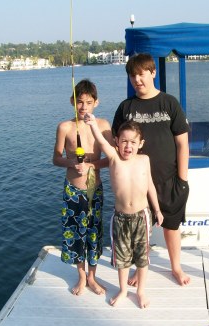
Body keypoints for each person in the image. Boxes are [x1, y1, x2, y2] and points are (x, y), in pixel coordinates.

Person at [112, 53, 191, 286]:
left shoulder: (169, 103)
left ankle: (175, 267)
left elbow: (182, 143)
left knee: (171, 225)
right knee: (139, 230)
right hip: (137, 183)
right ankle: (139, 269)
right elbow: (116, 143)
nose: (137, 79)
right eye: (132, 75)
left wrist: (182, 180)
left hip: (169, 179)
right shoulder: (126, 107)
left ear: (153, 73)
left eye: (142, 74)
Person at [84, 112, 164, 308]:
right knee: (122, 258)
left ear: (141, 143)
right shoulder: (114, 158)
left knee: (142, 257)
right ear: (117, 142)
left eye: (133, 142)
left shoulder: (144, 160)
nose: (128, 146)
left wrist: (158, 210)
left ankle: (141, 291)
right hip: (120, 218)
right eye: (124, 141)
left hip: (142, 216)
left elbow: (150, 186)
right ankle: (123, 290)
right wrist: (93, 124)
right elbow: (102, 143)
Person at [53, 79, 112, 296]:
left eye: (88, 102)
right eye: (79, 102)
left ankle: (92, 277)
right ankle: (80, 276)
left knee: (94, 233)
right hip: (72, 190)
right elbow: (56, 158)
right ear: (72, 102)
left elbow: (111, 158)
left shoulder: (104, 126)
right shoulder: (65, 127)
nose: (83, 107)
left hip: (94, 189)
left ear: (96, 102)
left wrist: (90, 165)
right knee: (75, 233)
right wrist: (72, 163)